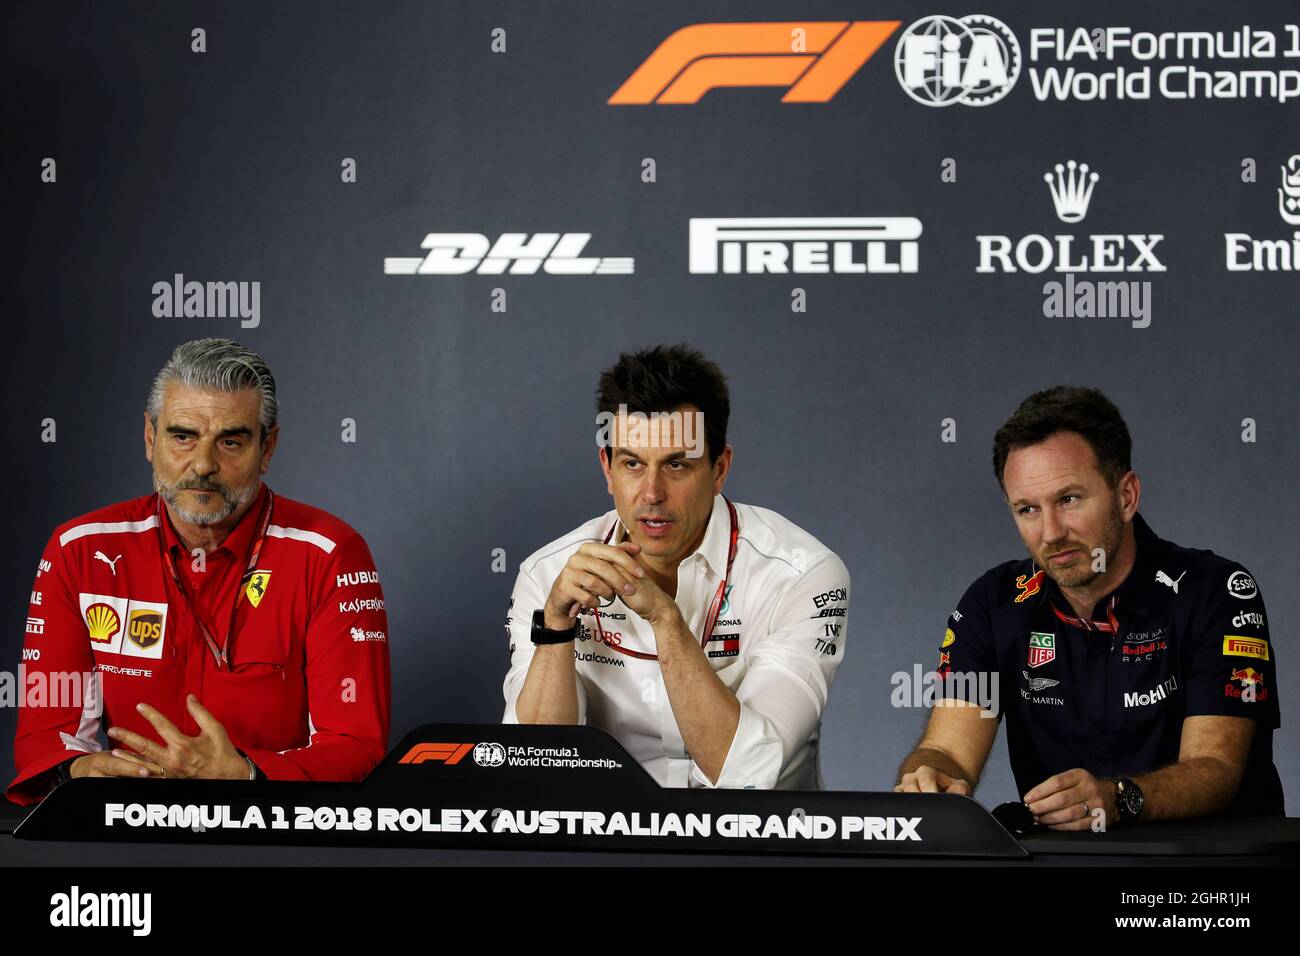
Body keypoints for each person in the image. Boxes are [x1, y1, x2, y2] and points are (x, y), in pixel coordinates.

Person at [7, 338, 391, 804]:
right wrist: (79, 770)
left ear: (267, 448)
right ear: (150, 438)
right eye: (183, 436)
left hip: (268, 833)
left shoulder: (331, 554)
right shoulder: (79, 550)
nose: (204, 465)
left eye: (231, 441)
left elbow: (355, 745)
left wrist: (248, 777)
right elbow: (47, 735)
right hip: (122, 831)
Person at [896, 386, 1282, 827]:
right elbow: (947, 750)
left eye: (1069, 499)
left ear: (1126, 496)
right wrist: (930, 779)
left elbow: (1215, 767)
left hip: (1208, 873)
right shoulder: (993, 604)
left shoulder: (1217, 592)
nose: (1051, 532)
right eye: (1027, 509)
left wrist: (1119, 799)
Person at [502, 344, 850, 789]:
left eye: (677, 465)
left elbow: (747, 773)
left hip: (758, 849)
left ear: (719, 468)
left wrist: (665, 618)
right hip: (610, 849)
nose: (651, 493)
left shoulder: (804, 574)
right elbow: (533, 772)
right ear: (607, 469)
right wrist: (555, 626)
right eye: (632, 464)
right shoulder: (547, 574)